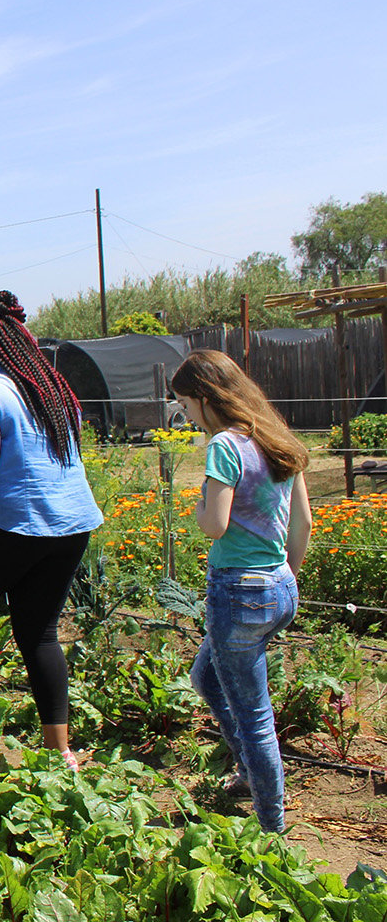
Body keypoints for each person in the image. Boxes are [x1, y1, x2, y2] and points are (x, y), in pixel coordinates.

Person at [0, 291, 103, 771]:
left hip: (19, 524)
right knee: (40, 633)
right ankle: (60, 752)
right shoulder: (50, 388)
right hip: (71, 527)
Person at [172, 348, 311, 833]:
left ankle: (272, 828)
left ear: (206, 397)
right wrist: (285, 576)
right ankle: (252, 773)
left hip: (240, 591)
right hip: (279, 586)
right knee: (206, 679)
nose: (188, 418)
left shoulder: (225, 447)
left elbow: (215, 524)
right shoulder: (277, 438)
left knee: (255, 717)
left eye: (187, 407)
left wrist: (197, 508)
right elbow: (304, 523)